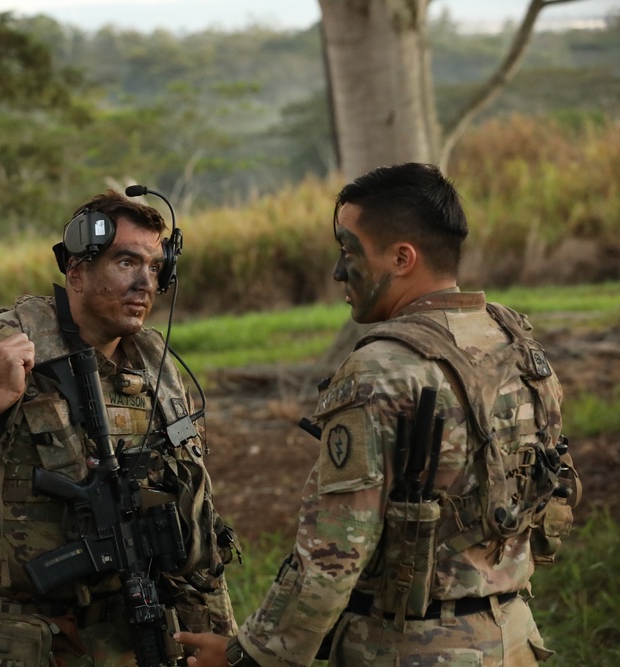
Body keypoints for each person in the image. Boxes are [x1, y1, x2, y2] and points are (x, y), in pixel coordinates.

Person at [175, 162, 580, 666]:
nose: (339, 271)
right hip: (514, 636)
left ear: (402, 257)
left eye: (349, 250)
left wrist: (249, 657)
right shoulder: (516, 343)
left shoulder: (381, 368)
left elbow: (333, 557)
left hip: (410, 649)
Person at [0, 189, 239, 667]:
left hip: (135, 634)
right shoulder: (5, 343)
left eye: (156, 267)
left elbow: (197, 522)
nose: (146, 282)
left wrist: (224, 637)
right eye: (126, 262)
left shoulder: (156, 365)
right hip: (18, 641)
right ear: (76, 271)